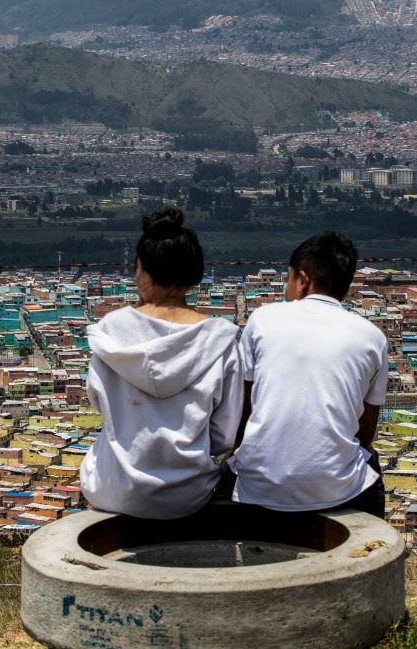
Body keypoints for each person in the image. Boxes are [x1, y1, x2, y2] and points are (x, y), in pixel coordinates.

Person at [79, 208, 243, 520]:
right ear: (194, 273)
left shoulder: (111, 333)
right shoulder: (219, 341)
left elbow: (98, 403)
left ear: (146, 273)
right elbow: (224, 435)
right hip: (187, 494)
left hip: (113, 487)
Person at [229, 232, 388, 517]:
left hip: (260, 487)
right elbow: (366, 434)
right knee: (370, 462)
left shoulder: (263, 320)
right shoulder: (372, 337)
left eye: (287, 280)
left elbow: (243, 410)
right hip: (337, 490)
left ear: (302, 280)